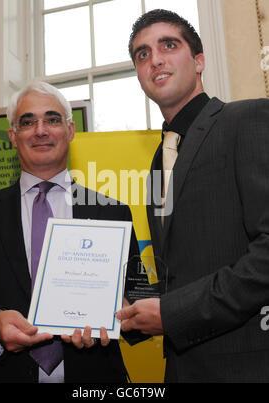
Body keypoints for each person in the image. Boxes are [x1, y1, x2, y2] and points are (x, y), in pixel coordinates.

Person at [116, 9, 269, 383]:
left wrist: (174, 313)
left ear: (199, 61)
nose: (155, 59)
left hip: (245, 364)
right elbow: (176, 271)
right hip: (183, 368)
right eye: (142, 54)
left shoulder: (246, 120)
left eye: (169, 45)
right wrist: (125, 313)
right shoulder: (158, 161)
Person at [0, 81, 142, 383]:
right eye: (27, 122)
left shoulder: (113, 212)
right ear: (12, 136)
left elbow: (140, 302)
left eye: (52, 119)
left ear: (70, 130)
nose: (40, 130)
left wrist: (122, 314)